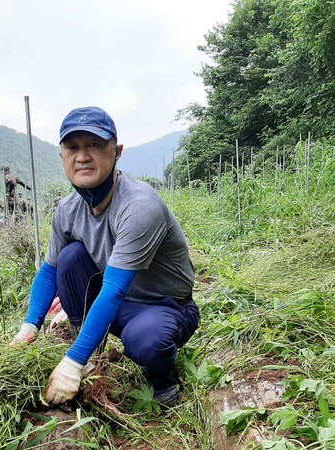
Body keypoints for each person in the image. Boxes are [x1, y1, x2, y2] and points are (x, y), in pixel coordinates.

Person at [10, 106, 200, 407]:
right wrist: (30, 326)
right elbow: (49, 272)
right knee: (70, 257)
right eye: (72, 147)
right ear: (62, 156)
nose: (82, 156)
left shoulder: (139, 206)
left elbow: (114, 289)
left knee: (147, 341)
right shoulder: (67, 210)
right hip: (115, 304)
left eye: (94, 145)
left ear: (117, 152)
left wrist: (71, 362)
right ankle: (88, 355)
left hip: (163, 306)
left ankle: (161, 378)